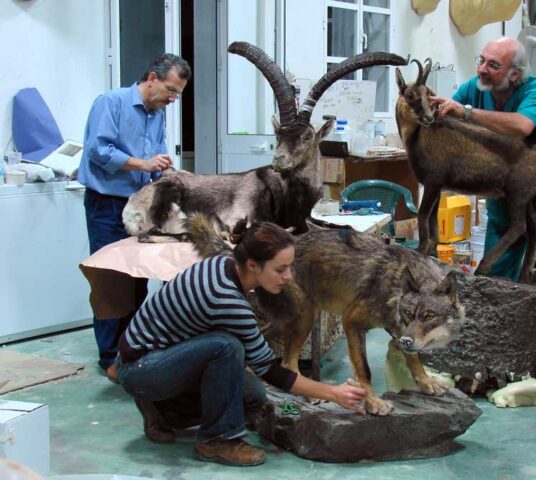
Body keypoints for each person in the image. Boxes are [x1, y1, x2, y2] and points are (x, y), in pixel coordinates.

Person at [114, 221, 367, 467]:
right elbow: (271, 370)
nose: (289, 277)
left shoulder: (225, 263)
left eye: (290, 267)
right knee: (226, 346)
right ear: (252, 265)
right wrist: (333, 393)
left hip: (156, 356)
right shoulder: (227, 300)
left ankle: (162, 412)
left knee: (252, 398)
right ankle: (217, 440)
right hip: (141, 367)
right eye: (280, 269)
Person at [433, 37, 536, 313]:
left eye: (493, 65)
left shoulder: (535, 90)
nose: (482, 69)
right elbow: (445, 117)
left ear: (515, 74)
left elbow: (523, 126)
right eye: (481, 61)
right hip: (504, 206)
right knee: (494, 287)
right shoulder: (473, 89)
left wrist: (466, 114)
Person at [78, 53, 192, 380]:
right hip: (107, 204)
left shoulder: (157, 113)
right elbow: (99, 151)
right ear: (152, 78)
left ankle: (130, 350)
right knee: (111, 279)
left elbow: (154, 156)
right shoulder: (110, 103)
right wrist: (143, 164)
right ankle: (108, 358)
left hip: (140, 204)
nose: (172, 99)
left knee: (137, 279)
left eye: (178, 94)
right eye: (170, 89)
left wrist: (168, 173)